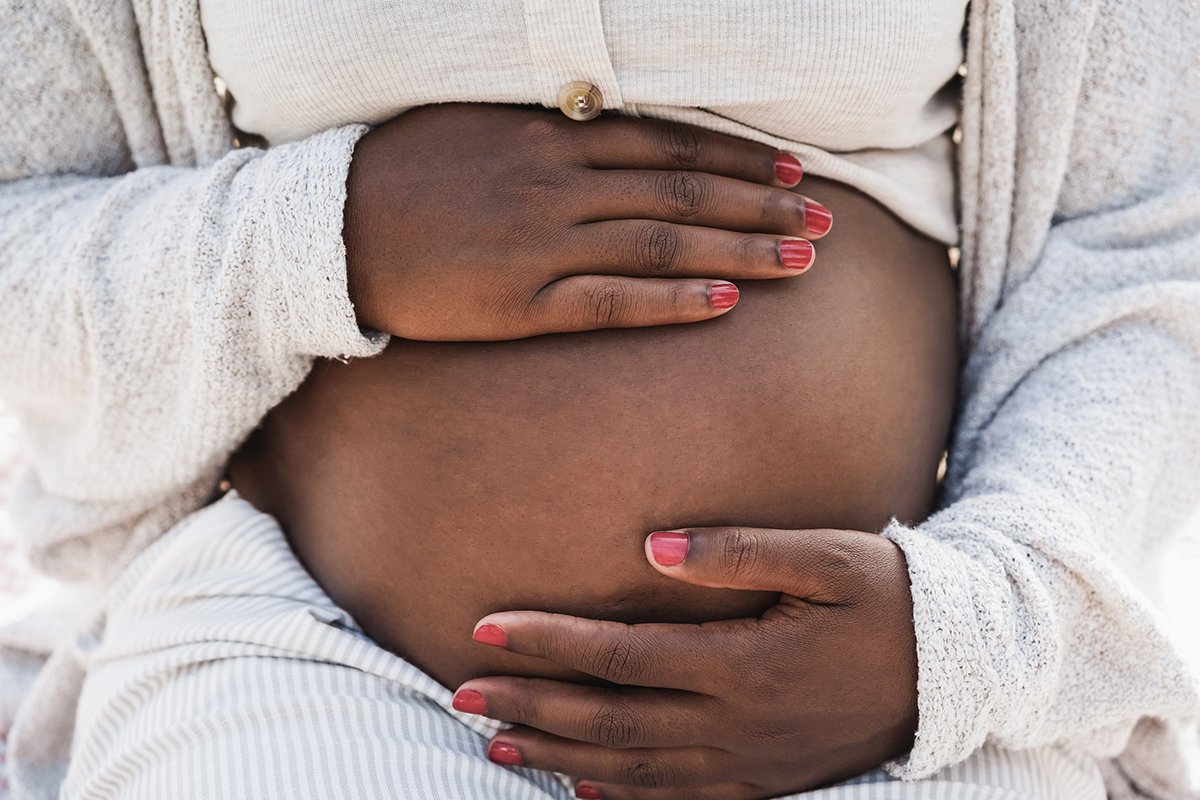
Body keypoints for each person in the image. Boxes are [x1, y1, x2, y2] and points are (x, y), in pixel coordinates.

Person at [0, 2, 1197, 799]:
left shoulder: (942, 661)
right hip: (309, 661)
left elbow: (1142, 240)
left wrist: (961, 642)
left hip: (899, 704)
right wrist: (328, 233)